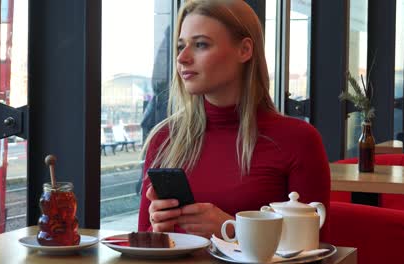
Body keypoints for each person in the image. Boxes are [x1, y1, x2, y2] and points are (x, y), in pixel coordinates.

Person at [138, 0, 330, 241]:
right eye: (180, 46)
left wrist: (233, 229)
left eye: (200, 45)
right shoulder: (164, 138)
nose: (183, 58)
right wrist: (157, 231)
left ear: (245, 50)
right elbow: (143, 241)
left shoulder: (298, 141)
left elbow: (312, 249)